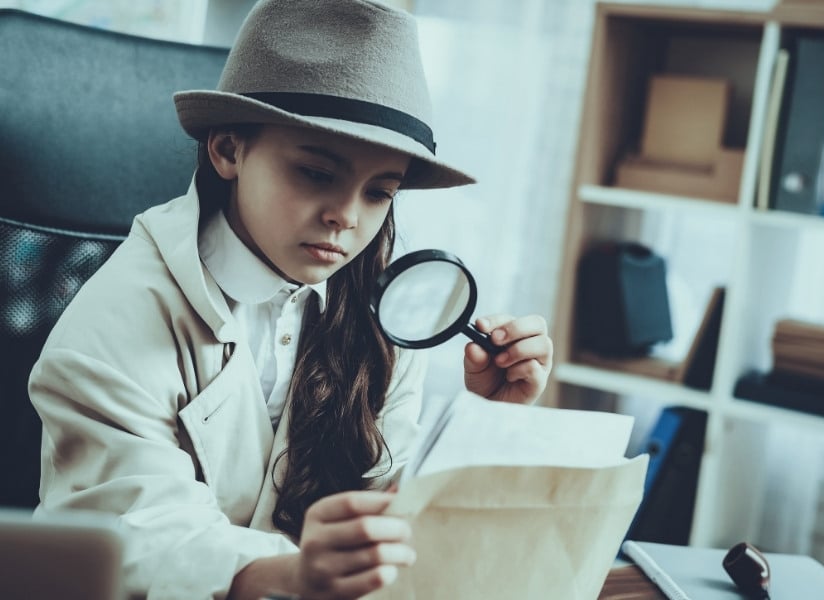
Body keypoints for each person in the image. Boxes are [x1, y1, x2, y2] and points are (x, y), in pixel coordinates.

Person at [28, 1, 553, 599]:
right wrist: (290, 573)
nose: (346, 219)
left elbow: (388, 509)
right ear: (228, 150)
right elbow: (137, 536)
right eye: (315, 173)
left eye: (380, 192)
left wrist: (486, 422)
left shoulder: (382, 312)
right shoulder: (118, 317)